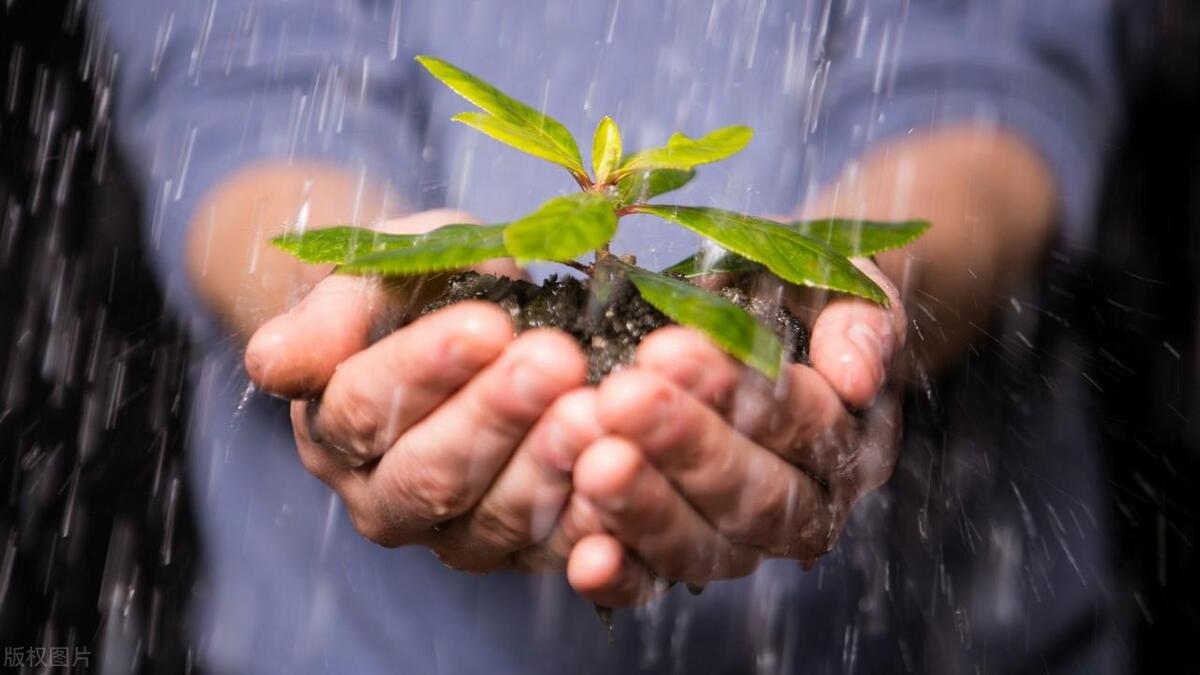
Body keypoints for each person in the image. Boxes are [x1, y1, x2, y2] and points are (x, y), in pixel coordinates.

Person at [96, 0, 1141, 672]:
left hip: (936, 638)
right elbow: (243, 84)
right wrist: (339, 295)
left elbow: (990, 79)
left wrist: (875, 297)